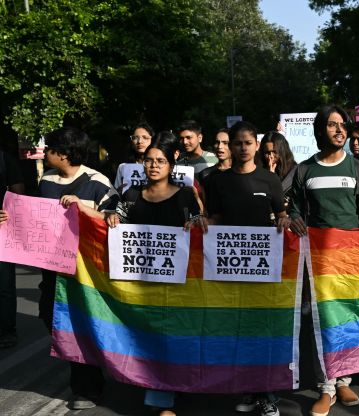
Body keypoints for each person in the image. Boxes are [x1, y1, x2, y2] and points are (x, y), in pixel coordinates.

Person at [105, 139, 206, 416]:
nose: (153, 165)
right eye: (149, 160)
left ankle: (175, 387)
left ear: (171, 165)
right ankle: (161, 399)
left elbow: (201, 224)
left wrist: (196, 223)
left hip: (181, 283)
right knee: (152, 337)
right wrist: (109, 216)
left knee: (175, 336)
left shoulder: (185, 195)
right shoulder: (132, 195)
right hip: (142, 282)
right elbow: (113, 222)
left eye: (160, 161)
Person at [288, 105, 359, 416]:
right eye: (332, 125)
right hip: (316, 263)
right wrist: (293, 219)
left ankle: (345, 380)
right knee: (320, 322)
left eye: (342, 125)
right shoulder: (304, 170)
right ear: (320, 131)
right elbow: (294, 209)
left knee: (347, 317)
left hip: (350, 262)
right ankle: (326, 385)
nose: (339, 130)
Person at [204, 121, 288, 416]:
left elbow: (281, 215)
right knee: (237, 330)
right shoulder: (218, 181)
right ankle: (250, 391)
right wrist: (201, 224)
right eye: (236, 143)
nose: (241, 148)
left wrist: (283, 221)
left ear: (256, 145)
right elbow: (214, 216)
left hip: (263, 268)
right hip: (228, 268)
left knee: (262, 330)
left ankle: (269, 397)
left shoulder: (270, 180)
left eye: (247, 143)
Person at [38, 127, 119, 410]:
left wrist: (85, 211)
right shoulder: (46, 180)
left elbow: (114, 220)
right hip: (52, 267)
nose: (45, 153)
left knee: (81, 324)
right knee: (49, 315)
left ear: (63, 154)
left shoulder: (97, 182)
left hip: (87, 271)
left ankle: (87, 386)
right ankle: (88, 370)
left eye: (49, 149)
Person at [0, 145, 25, 349]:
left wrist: (8, 214)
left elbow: (18, 196)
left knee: (4, 284)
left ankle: (7, 331)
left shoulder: (5, 159)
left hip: (2, 231)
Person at [113, 122, 154, 191]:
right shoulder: (123, 167)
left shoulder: (160, 166)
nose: (140, 141)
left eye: (145, 138)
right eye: (135, 138)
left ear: (152, 140)